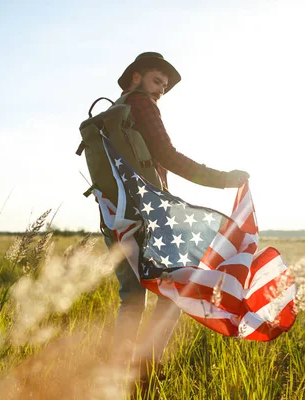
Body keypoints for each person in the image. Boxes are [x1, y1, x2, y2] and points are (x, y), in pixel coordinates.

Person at [105, 51, 250, 383]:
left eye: (165, 87)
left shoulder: (110, 114)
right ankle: (147, 369)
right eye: (157, 81)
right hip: (149, 219)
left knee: (130, 297)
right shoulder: (140, 104)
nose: (160, 91)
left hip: (114, 219)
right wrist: (224, 179)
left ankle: (115, 374)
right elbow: (167, 155)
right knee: (176, 290)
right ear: (136, 77)